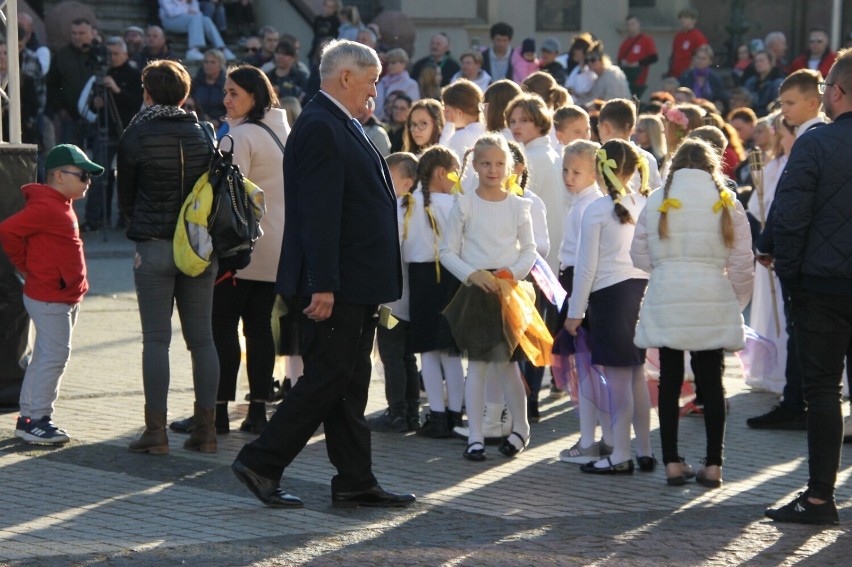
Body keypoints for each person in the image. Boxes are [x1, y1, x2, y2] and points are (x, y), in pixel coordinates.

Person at [231, 39, 415, 510]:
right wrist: (323, 283)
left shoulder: (340, 122)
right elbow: (318, 215)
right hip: (335, 285)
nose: (377, 88)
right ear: (346, 77)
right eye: (372, 79)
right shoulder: (319, 126)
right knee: (327, 379)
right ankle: (261, 460)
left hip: (354, 283)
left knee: (348, 382)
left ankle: (355, 480)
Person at [171, 65, 290, 437]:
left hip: (239, 250)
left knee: (221, 330)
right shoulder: (282, 132)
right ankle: (257, 413)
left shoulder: (239, 138)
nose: (226, 99)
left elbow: (225, 196)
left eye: (234, 92)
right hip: (276, 247)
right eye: (225, 92)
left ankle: (217, 412)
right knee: (259, 331)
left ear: (254, 96)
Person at [631, 139, 753, 487]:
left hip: (669, 292)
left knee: (669, 380)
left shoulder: (657, 200)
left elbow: (638, 255)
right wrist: (737, 301)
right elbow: (743, 262)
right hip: (712, 293)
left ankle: (671, 461)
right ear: (713, 167)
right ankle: (714, 464)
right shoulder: (727, 202)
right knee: (712, 382)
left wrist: (665, 266)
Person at [764, 48, 852, 527]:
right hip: (821, 281)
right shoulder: (815, 142)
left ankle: (820, 497)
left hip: (822, 287)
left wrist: (790, 281)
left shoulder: (815, 144)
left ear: (834, 93)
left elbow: (790, 220)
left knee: (822, 391)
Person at [118, 59, 219, 456]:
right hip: (198, 245)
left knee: (156, 341)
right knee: (202, 340)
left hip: (154, 244)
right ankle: (206, 430)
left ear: (146, 93)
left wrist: (139, 223)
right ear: (185, 93)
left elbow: (126, 197)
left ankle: (156, 432)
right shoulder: (203, 132)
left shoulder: (135, 135)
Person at [440, 133, 538, 461]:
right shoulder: (464, 203)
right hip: (476, 290)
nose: (492, 169)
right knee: (479, 366)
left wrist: (511, 273)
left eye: (499, 164)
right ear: (475, 166)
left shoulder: (519, 205)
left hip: (507, 291)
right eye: (485, 163)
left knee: (508, 366)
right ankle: (476, 437)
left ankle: (521, 428)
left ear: (509, 167)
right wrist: (472, 274)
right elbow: (447, 251)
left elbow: (530, 251)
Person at [0, 145, 104, 445]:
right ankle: (37, 419)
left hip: (59, 295)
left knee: (45, 357)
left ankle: (29, 417)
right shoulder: (48, 205)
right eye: (83, 175)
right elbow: (8, 230)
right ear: (58, 176)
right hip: (50, 297)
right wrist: (25, 265)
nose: (88, 182)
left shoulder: (60, 202)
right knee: (54, 357)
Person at [564, 139, 652, 475]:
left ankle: (620, 454)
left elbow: (586, 267)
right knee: (636, 376)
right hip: (640, 294)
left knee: (617, 380)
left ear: (602, 170)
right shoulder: (645, 202)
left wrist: (576, 312)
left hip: (611, 297)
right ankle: (643, 450)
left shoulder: (597, 210)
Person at [748, 69, 827, 429]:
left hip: (809, 254)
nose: (784, 111)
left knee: (802, 332)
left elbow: (789, 199)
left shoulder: (812, 139)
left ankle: (797, 404)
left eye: (791, 103)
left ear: (815, 101)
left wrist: (768, 243)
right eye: (782, 103)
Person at [553, 139, 616, 464]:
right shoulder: (582, 202)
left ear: (595, 173)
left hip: (582, 290)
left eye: (576, 171)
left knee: (588, 371)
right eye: (565, 169)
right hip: (577, 285)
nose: (568, 176)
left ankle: (594, 440)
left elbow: (583, 260)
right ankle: (599, 437)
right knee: (590, 371)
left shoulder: (589, 206)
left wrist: (575, 306)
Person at [401, 146, 465, 437]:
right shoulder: (457, 204)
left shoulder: (406, 204)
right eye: (456, 171)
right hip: (452, 277)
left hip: (421, 279)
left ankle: (436, 416)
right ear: (442, 172)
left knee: (428, 350)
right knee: (451, 351)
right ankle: (456, 415)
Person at [369, 152, 421, 433]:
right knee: (406, 356)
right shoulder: (415, 208)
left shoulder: (399, 209)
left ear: (408, 182)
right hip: (408, 299)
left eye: (389, 177)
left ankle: (396, 413)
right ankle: (410, 412)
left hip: (391, 302)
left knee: (391, 355)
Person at [742, 113, 794, 395]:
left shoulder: (791, 164)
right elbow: (757, 205)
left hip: (779, 247)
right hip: (768, 245)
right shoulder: (773, 164)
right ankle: (770, 369)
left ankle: (784, 370)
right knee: (769, 312)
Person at [79, 37, 143, 232]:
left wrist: (116, 90)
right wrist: (96, 103)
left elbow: (136, 103)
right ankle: (95, 219)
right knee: (98, 175)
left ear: (125, 54)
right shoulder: (101, 74)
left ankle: (126, 219)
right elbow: (90, 105)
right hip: (103, 129)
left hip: (126, 130)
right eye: (109, 54)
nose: (112, 58)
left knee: (127, 177)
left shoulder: (133, 74)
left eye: (116, 54)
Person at [45, 18, 99, 146]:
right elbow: (52, 84)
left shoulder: (100, 55)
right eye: (73, 33)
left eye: (81, 33)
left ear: (92, 33)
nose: (77, 37)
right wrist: (59, 110)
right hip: (70, 117)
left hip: (98, 117)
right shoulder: (62, 56)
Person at [441, 79, 486, 191]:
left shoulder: (460, 136)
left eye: (447, 110)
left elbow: (440, 158)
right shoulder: (488, 130)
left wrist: (448, 126)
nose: (445, 114)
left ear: (459, 112)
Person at [158, 0, 235, 62]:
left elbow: (197, 11)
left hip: (188, 19)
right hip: (169, 20)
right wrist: (186, 7)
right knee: (195, 18)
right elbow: (171, 12)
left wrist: (189, 10)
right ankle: (193, 50)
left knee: (206, 20)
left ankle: (221, 48)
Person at [577, 42, 631, 107]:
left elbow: (612, 100)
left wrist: (589, 105)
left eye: (593, 60)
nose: (589, 63)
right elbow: (591, 97)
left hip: (618, 111)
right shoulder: (598, 77)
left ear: (601, 60)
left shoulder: (612, 74)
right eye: (587, 60)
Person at [617, 15, 658, 98]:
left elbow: (654, 57)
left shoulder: (646, 40)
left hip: (639, 77)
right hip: (627, 77)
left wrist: (638, 63)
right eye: (628, 24)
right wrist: (622, 62)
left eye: (633, 24)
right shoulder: (625, 42)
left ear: (638, 24)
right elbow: (619, 59)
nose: (630, 27)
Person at [679, 45, 728, 112]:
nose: (700, 61)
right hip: (689, 112)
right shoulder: (686, 76)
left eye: (703, 58)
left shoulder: (715, 78)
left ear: (710, 61)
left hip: (710, 112)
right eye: (698, 58)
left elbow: (721, 98)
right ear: (694, 59)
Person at [375, 48, 419, 122]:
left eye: (393, 63)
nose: (390, 66)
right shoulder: (382, 82)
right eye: (388, 63)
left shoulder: (411, 84)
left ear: (403, 64)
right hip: (378, 122)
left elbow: (412, 108)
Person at [191, 48, 227, 128]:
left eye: (212, 62)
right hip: (198, 123)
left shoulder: (227, 85)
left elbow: (231, 110)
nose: (208, 65)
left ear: (220, 65)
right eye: (206, 62)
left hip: (221, 125)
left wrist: (218, 121)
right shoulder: (195, 83)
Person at [667, 8, 708, 78]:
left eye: (686, 18)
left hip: (690, 75)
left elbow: (701, 57)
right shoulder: (678, 36)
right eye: (681, 18)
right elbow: (674, 55)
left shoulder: (698, 37)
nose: (682, 20)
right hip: (675, 74)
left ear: (694, 20)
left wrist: (690, 73)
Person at [744, 50, 785, 117]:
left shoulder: (778, 83)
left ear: (771, 62)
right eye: (756, 61)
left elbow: (777, 106)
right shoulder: (750, 82)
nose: (758, 63)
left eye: (761, 60)